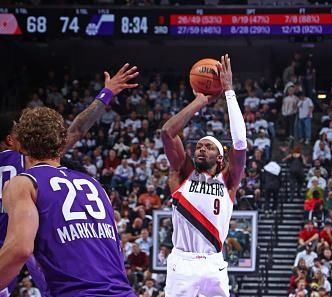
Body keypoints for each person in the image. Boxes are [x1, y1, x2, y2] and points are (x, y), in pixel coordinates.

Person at [0, 64, 139, 296]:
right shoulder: (94, 184)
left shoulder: (25, 180)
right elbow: (77, 129)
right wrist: (106, 94)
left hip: (17, 241)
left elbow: (20, 249)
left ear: (21, 143)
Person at [161, 54, 246, 297]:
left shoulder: (228, 181)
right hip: (182, 261)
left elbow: (240, 142)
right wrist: (200, 101)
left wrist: (229, 91)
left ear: (220, 158)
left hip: (213, 263)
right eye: (198, 145)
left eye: (208, 146)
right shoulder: (182, 172)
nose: (201, 148)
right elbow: (168, 132)